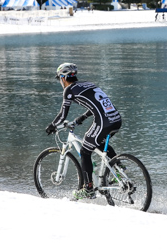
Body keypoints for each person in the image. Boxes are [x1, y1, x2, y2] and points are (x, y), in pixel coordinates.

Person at [45, 62, 122, 200]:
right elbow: (98, 103)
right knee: (97, 143)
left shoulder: (69, 91)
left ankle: (88, 189)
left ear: (63, 77)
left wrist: (52, 125)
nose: (60, 82)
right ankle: (119, 172)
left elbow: (63, 115)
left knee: (85, 151)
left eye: (59, 78)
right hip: (116, 119)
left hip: (104, 121)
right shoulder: (88, 84)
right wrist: (83, 117)